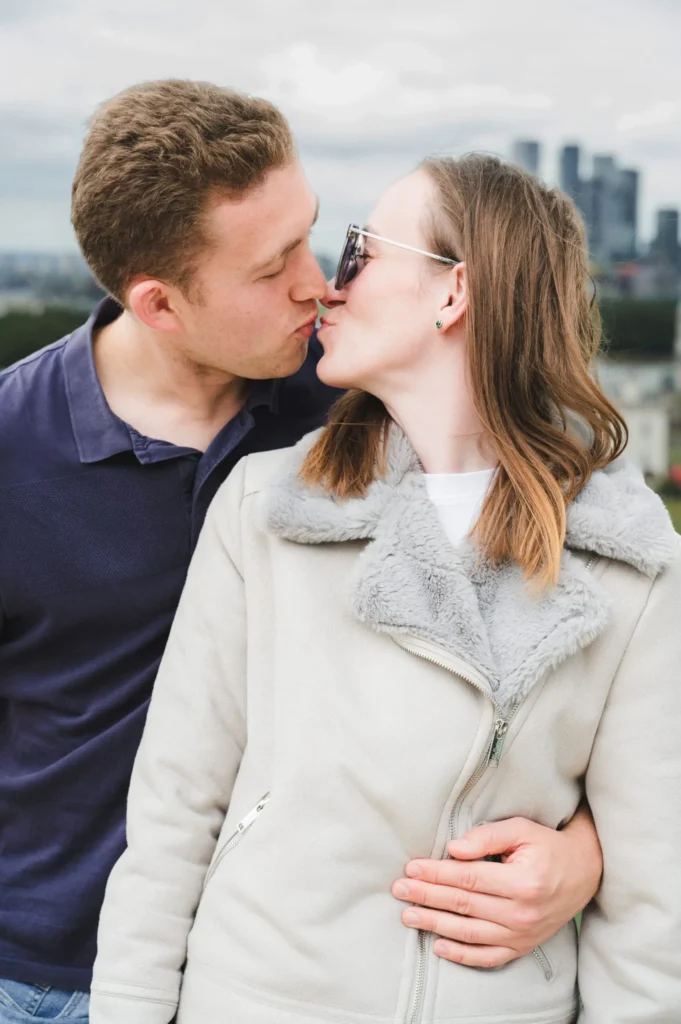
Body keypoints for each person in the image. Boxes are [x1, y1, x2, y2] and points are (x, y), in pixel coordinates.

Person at [0, 82, 601, 1024]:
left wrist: (587, 853)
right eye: (272, 265)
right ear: (159, 304)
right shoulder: (8, 451)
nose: (318, 282)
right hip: (43, 976)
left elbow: (564, 661)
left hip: (283, 971)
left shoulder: (358, 404)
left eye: (313, 235)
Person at [89, 154, 681, 1023]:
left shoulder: (630, 559)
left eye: (360, 252)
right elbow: (174, 815)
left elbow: (652, 907)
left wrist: (584, 856)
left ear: (453, 294)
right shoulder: (264, 508)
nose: (328, 288)